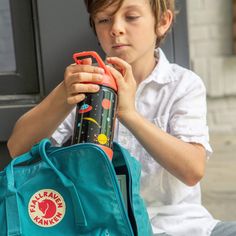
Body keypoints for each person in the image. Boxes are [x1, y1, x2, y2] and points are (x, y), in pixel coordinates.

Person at [7, 0, 236, 235]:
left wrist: (129, 115)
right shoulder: (87, 85)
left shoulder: (182, 84)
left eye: (131, 17)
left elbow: (193, 170)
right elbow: (18, 148)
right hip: (106, 226)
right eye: (104, 20)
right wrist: (62, 94)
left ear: (163, 22)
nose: (115, 28)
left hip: (180, 225)